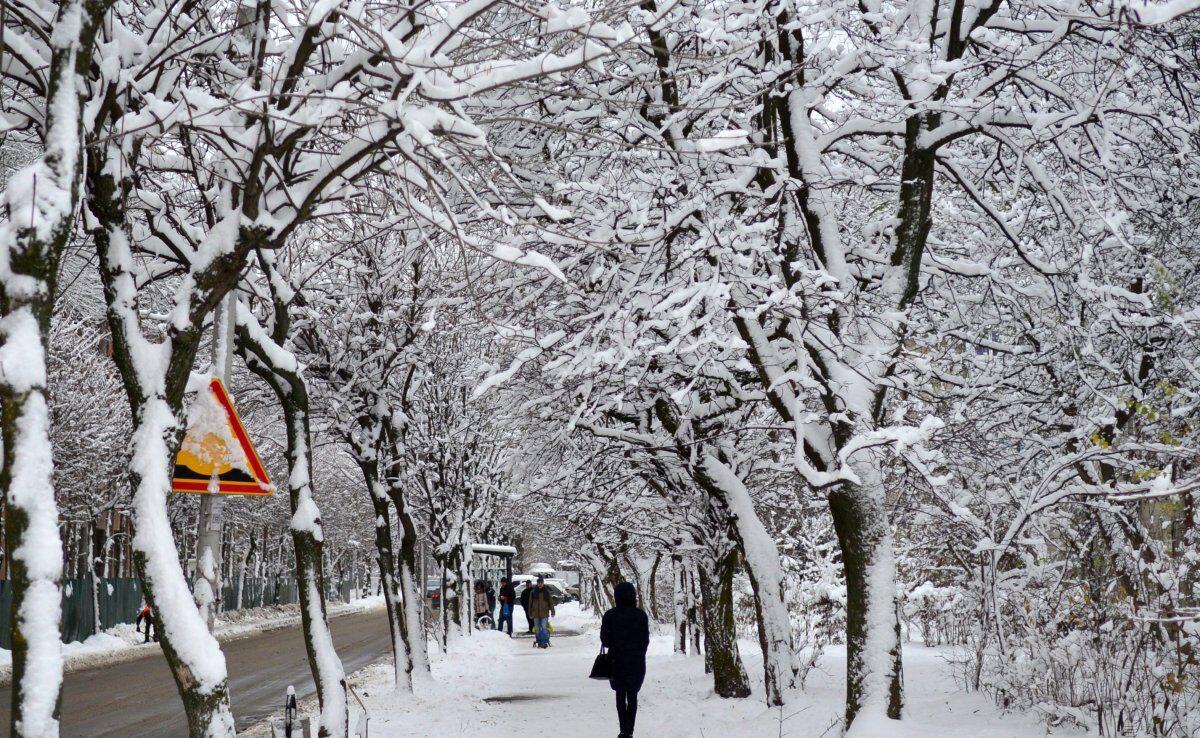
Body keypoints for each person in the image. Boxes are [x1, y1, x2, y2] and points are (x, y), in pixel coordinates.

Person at [600, 582, 650, 738]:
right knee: (633, 695)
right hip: (636, 661)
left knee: (620, 694)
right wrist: (639, 652)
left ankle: (623, 730)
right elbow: (645, 640)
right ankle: (630, 731)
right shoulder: (640, 615)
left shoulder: (610, 615)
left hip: (616, 661)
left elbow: (605, 640)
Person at [526, 575, 556, 648]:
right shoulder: (533, 592)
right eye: (538, 583)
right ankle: (539, 642)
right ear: (537, 583)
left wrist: (552, 611)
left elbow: (551, 602)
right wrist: (530, 613)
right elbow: (530, 603)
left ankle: (545, 641)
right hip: (535, 613)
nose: (540, 584)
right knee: (538, 629)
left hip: (544, 613)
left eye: (541, 583)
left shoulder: (546, 592)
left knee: (544, 628)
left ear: (543, 583)